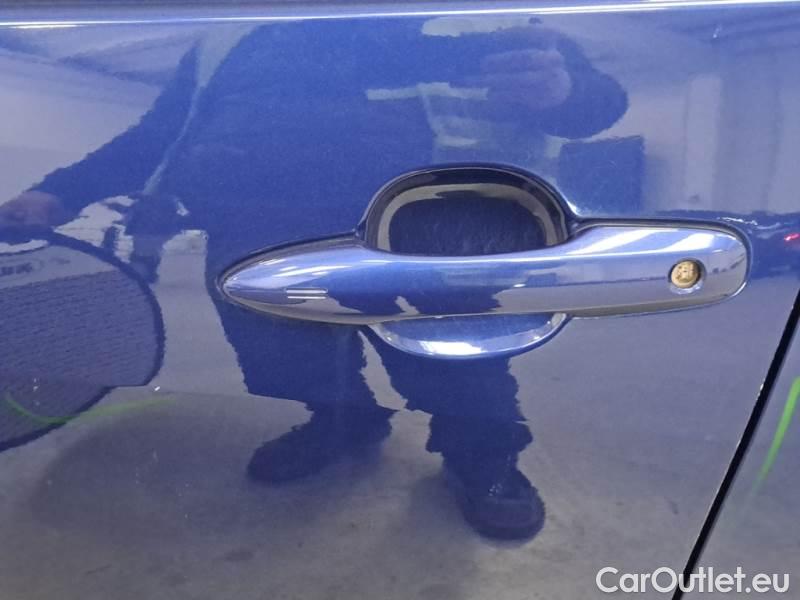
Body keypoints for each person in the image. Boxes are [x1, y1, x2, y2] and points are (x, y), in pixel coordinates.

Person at [0, 17, 627, 539]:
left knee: (452, 360)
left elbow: (600, 103)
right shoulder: (231, 34)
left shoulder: (482, 18)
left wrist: (564, 94)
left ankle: (483, 459)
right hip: (257, 228)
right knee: (280, 354)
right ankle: (341, 422)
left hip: (425, 223)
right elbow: (163, 134)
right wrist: (61, 192)